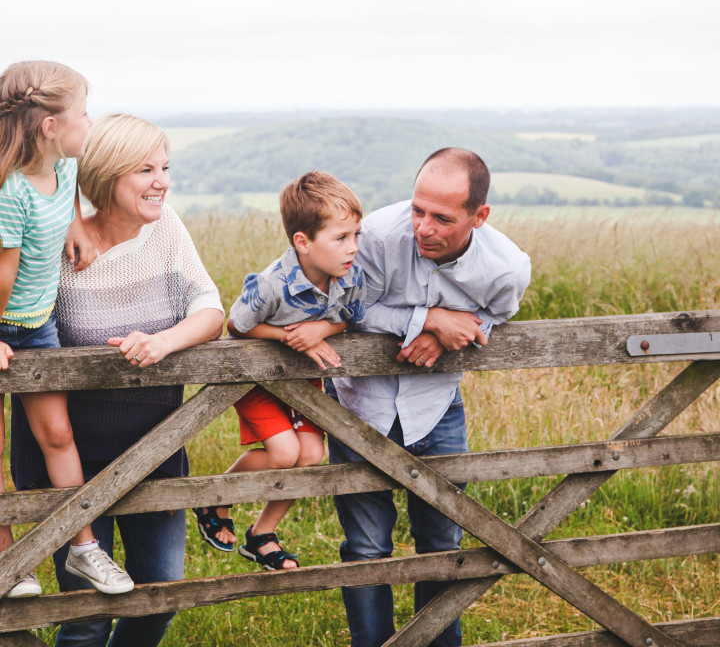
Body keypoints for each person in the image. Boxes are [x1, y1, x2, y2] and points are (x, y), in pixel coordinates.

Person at [10, 113, 224, 647]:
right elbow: (17, 317)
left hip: (154, 455)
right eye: (145, 170)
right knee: (85, 614)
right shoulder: (58, 242)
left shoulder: (167, 228)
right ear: (106, 176)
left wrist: (164, 340)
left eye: (165, 167)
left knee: (160, 594)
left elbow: (210, 309)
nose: (162, 181)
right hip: (68, 463)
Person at [326, 148, 531, 647]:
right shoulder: (373, 235)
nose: (423, 228)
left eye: (442, 218)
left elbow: (494, 317)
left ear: (479, 217)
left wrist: (451, 335)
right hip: (359, 406)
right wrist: (429, 320)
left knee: (443, 541)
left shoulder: (507, 268)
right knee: (366, 545)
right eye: (418, 210)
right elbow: (347, 309)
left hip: (436, 408)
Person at [0, 61, 134, 598]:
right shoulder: (10, 192)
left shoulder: (65, 169)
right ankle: (10, 563)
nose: (90, 121)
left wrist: (75, 226)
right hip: (5, 323)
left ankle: (83, 548)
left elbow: (68, 201)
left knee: (58, 434)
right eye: (83, 112)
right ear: (50, 126)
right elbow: (3, 273)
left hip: (37, 325)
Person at [195, 171, 366, 570]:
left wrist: (322, 328)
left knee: (309, 455)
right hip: (257, 380)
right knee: (285, 451)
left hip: (302, 382)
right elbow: (237, 325)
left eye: (356, 235)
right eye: (341, 238)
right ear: (302, 242)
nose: (353, 248)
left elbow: (353, 316)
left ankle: (261, 534)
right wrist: (288, 336)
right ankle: (215, 497)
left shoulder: (350, 275)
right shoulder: (271, 284)